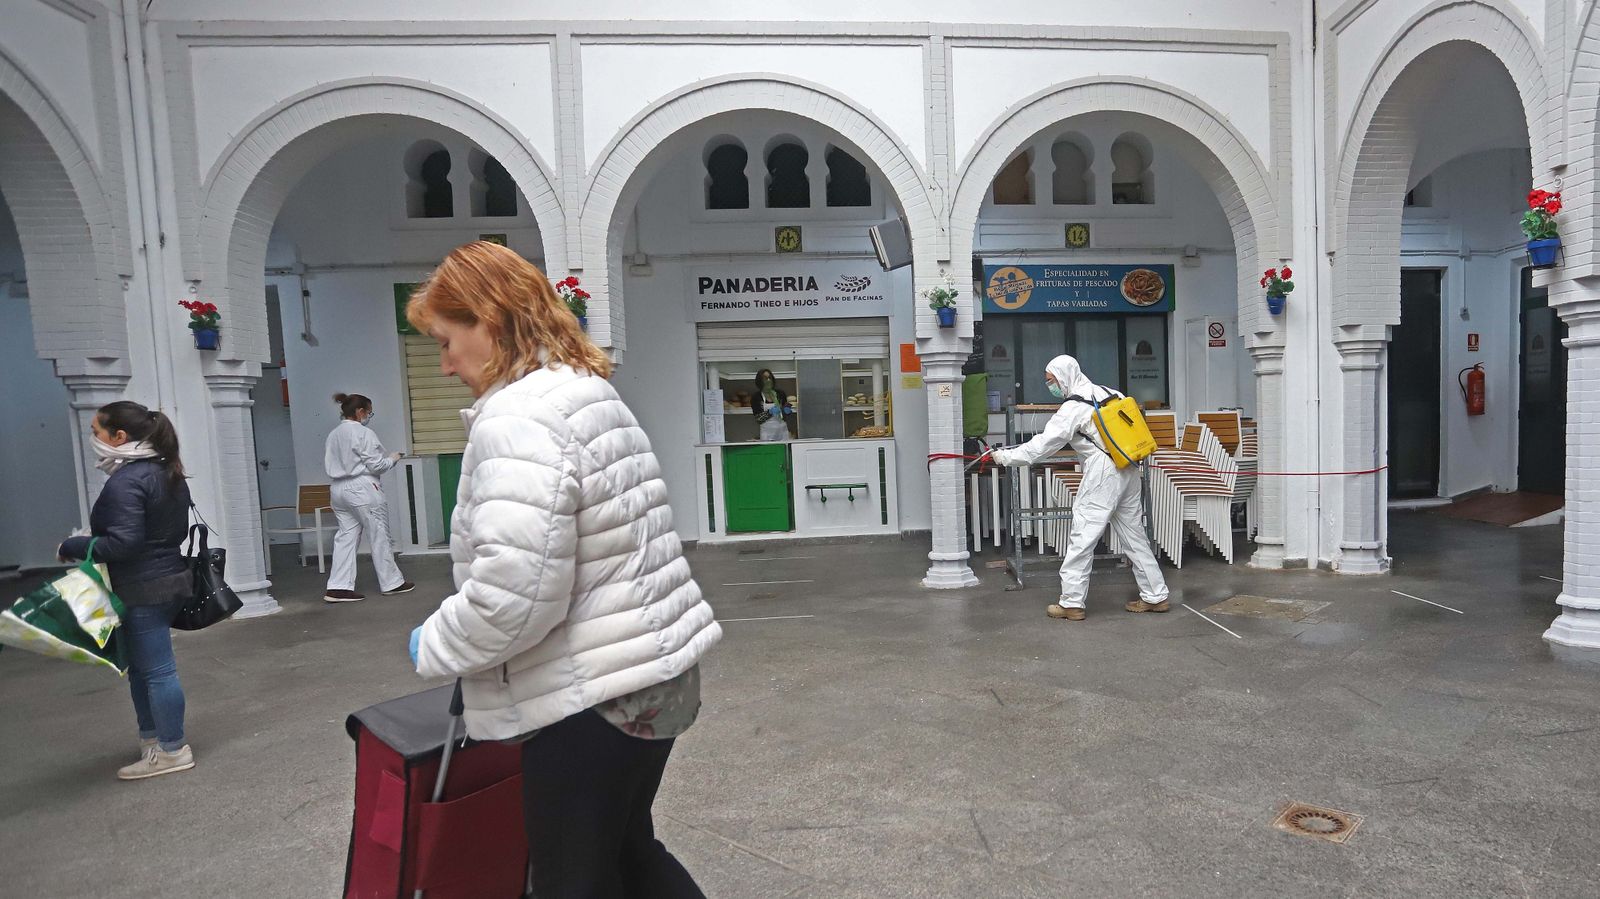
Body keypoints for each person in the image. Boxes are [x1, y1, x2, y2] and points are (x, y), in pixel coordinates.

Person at [404, 241, 722, 898]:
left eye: (444, 340)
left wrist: (435, 640)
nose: (443, 365)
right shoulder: (583, 392)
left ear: (488, 322)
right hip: (650, 675)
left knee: (571, 878)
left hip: (594, 694)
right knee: (629, 849)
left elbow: (512, 598)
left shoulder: (518, 420)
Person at [57, 401, 196, 780]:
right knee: (144, 670)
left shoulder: (127, 481)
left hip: (143, 587)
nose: (93, 439)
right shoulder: (166, 471)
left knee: (158, 672)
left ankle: (171, 749)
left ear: (120, 437)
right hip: (167, 580)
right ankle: (153, 740)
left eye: (96, 431)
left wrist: (73, 546)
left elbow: (125, 544)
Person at [990, 354, 1170, 621]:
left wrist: (1006, 457)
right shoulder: (1111, 393)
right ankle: (1155, 595)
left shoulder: (1073, 407)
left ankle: (1072, 602)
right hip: (1129, 466)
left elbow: (1043, 446)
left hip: (1103, 472)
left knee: (1083, 535)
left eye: (1051, 380)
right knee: (1134, 535)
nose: (1050, 386)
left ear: (1064, 377)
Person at [322, 393, 413, 603]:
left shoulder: (333, 434)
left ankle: (338, 587)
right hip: (362, 487)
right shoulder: (364, 433)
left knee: (346, 536)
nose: (370, 416)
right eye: (369, 412)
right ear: (360, 412)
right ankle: (392, 582)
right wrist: (392, 459)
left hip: (337, 489)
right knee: (379, 533)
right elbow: (376, 465)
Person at [752, 368, 792, 441]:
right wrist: (770, 412)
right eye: (765, 378)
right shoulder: (756, 397)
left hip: (782, 432)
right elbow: (758, 419)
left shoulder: (780, 394)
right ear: (760, 381)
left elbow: (784, 415)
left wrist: (787, 411)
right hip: (767, 434)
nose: (768, 381)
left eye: (770, 378)